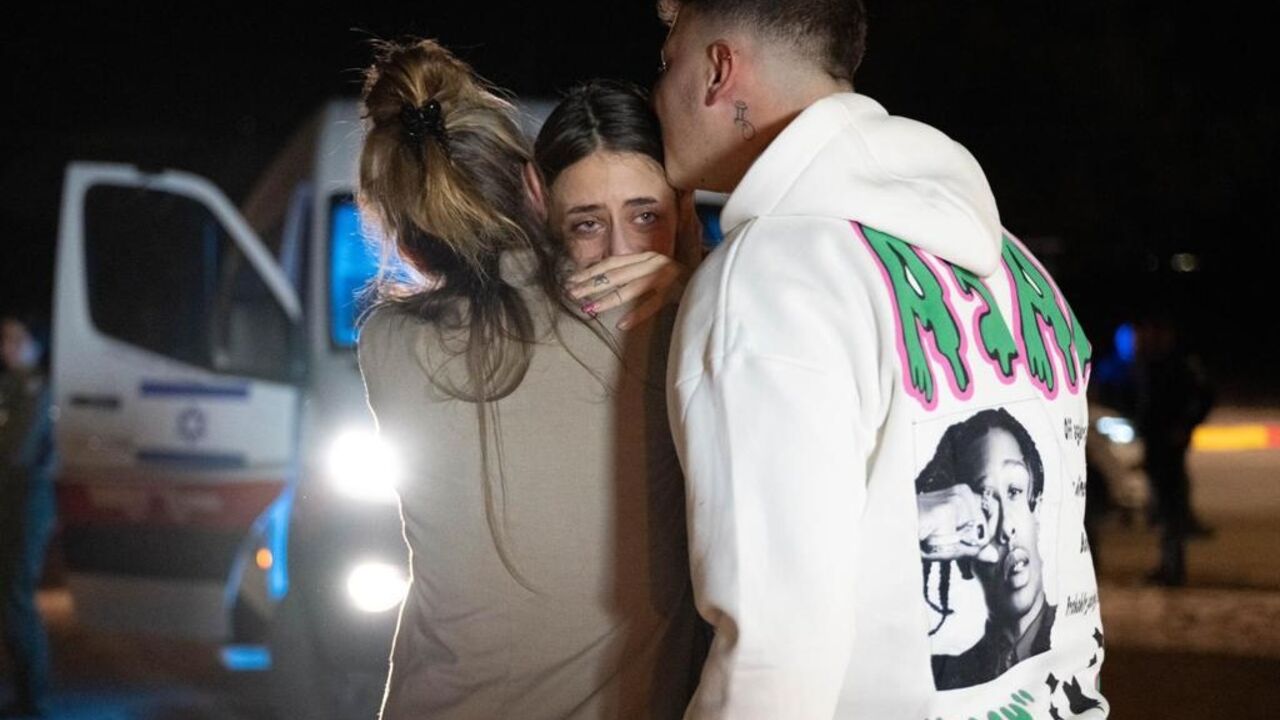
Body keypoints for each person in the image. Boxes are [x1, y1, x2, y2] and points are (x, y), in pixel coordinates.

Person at [655, 0, 1107, 716]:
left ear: (717, 71)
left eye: (666, 60)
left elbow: (775, 651)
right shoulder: (1014, 262)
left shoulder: (771, 275)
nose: (657, 93)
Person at [355, 41, 701, 719]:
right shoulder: (661, 323)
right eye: (590, 222)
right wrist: (695, 286)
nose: (620, 250)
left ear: (405, 236)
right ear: (537, 191)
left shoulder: (384, 345)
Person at [916, 409, 1054, 690]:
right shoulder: (942, 676)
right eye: (984, 505)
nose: (1006, 529)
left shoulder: (1072, 638)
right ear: (963, 559)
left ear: (1036, 509)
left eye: (1014, 491)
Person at [0, 314, 55, 719]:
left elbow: (18, 448)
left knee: (17, 595)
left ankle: (33, 698)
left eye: (19, 340)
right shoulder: (9, 388)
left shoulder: (37, 388)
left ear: (37, 345)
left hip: (27, 500)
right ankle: (24, 692)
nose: (9, 348)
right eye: (5, 339)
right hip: (9, 498)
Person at [1133, 311, 1214, 586]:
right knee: (1162, 508)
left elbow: (1204, 396)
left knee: (1172, 507)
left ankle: (1173, 568)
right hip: (1155, 444)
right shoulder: (1149, 363)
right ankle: (1167, 565)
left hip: (1169, 447)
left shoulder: (1178, 364)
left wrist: (1185, 427)